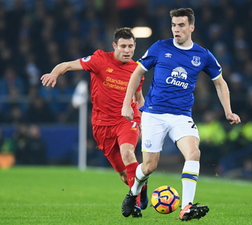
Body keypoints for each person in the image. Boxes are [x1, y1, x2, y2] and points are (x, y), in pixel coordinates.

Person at [121, 8, 241, 221]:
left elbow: (220, 83)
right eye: (174, 25)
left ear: (191, 27)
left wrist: (228, 111)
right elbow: (137, 72)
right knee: (149, 166)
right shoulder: (160, 47)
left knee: (194, 153)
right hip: (154, 114)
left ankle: (186, 207)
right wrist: (127, 103)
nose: (176, 29)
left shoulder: (202, 55)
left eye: (181, 25)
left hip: (181, 115)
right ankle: (133, 192)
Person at [41, 27, 147, 217]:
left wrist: (144, 118)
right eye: (123, 46)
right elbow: (66, 65)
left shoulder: (137, 69)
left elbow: (139, 98)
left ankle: (136, 203)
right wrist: (54, 73)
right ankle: (141, 184)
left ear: (135, 46)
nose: (127, 51)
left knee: (128, 152)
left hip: (126, 121)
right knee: (124, 175)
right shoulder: (99, 60)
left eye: (130, 46)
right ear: (114, 46)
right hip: (102, 125)